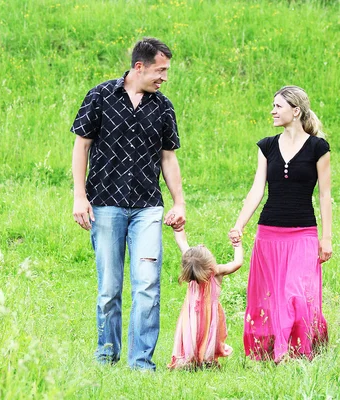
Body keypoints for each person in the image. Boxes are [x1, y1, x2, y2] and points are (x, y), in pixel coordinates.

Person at [71, 37, 185, 371]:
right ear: (140, 66)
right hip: (105, 204)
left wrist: (179, 202)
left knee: (147, 285)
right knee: (109, 288)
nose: (164, 77)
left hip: (148, 207)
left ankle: (141, 364)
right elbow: (82, 146)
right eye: (160, 70)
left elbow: (168, 157)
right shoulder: (101, 95)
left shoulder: (163, 107)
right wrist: (80, 196)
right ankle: (107, 356)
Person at [229, 85, 331, 362]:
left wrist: (327, 238)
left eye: (278, 106)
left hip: (304, 233)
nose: (273, 111)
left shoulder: (318, 148)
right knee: (269, 297)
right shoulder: (267, 146)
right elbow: (256, 190)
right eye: (273, 106)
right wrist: (239, 225)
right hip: (269, 233)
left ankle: (294, 350)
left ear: (295, 111)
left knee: (296, 294)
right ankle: (275, 352)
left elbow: (324, 195)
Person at [167, 228, 243, 370]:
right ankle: (208, 360)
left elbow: (181, 241)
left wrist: (178, 227)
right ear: (210, 264)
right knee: (210, 336)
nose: (202, 245)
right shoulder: (216, 272)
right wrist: (237, 245)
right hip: (210, 317)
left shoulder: (191, 267)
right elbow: (237, 263)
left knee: (191, 336)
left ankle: (188, 361)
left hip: (191, 317)